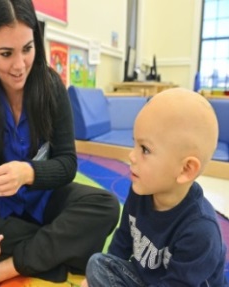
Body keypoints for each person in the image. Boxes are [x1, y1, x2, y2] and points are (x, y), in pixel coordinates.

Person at [0, 0, 120, 286]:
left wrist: (28, 173)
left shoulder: (51, 85)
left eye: (27, 49)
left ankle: (2, 268)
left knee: (106, 206)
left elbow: (67, 163)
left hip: (44, 200)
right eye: (6, 53)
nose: (19, 66)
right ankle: (58, 251)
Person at [82, 88, 228, 287]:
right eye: (134, 144)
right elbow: (122, 242)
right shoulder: (140, 191)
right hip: (146, 279)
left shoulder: (201, 231)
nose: (131, 156)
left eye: (145, 149)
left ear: (185, 169)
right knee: (97, 264)